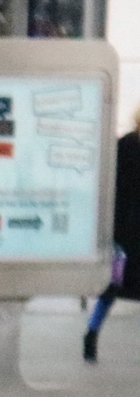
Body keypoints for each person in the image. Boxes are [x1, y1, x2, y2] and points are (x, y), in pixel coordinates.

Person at [85, 107, 140, 362]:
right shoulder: (127, 145)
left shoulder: (124, 145)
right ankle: (92, 334)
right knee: (115, 284)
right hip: (128, 226)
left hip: (124, 225)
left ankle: (92, 333)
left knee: (113, 286)